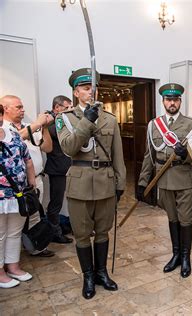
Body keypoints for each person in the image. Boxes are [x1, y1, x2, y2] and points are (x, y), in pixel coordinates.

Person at [56, 68, 126, 299]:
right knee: (83, 234)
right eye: (86, 88)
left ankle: (101, 273)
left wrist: (120, 182)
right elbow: (69, 147)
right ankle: (88, 276)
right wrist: (87, 121)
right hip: (79, 184)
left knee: (103, 232)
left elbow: (117, 154)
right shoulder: (64, 118)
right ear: (76, 92)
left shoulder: (110, 118)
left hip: (106, 182)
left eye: (93, 87)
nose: (91, 91)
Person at [137, 83, 192, 278]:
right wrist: (143, 181)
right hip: (163, 177)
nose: (172, 103)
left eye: (175, 99)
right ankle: (176, 255)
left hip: (184, 177)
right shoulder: (154, 125)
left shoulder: (191, 123)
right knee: (172, 219)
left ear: (180, 101)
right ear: (163, 101)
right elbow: (149, 155)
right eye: (168, 99)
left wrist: (185, 155)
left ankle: (186, 257)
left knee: (185, 219)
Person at [0, 95, 55, 257]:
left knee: (35, 216)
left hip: (36, 179)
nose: (22, 110)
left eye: (22, 106)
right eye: (18, 107)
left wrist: (44, 128)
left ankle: (36, 247)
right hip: (13, 186)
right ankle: (11, 257)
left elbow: (47, 148)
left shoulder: (27, 126)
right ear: (5, 108)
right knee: (11, 225)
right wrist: (37, 123)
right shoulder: (6, 129)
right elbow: (18, 138)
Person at [0, 125, 35, 288]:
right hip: (1, 197)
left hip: (19, 194)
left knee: (14, 232)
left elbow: (27, 160)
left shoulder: (14, 135)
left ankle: (13, 267)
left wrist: (32, 182)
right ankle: (0, 273)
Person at [45, 95, 73, 244]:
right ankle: (55, 233)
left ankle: (74, 227)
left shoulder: (65, 120)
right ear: (57, 108)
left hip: (70, 168)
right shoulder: (50, 122)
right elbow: (65, 137)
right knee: (56, 203)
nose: (70, 110)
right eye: (66, 107)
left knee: (74, 201)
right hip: (57, 169)